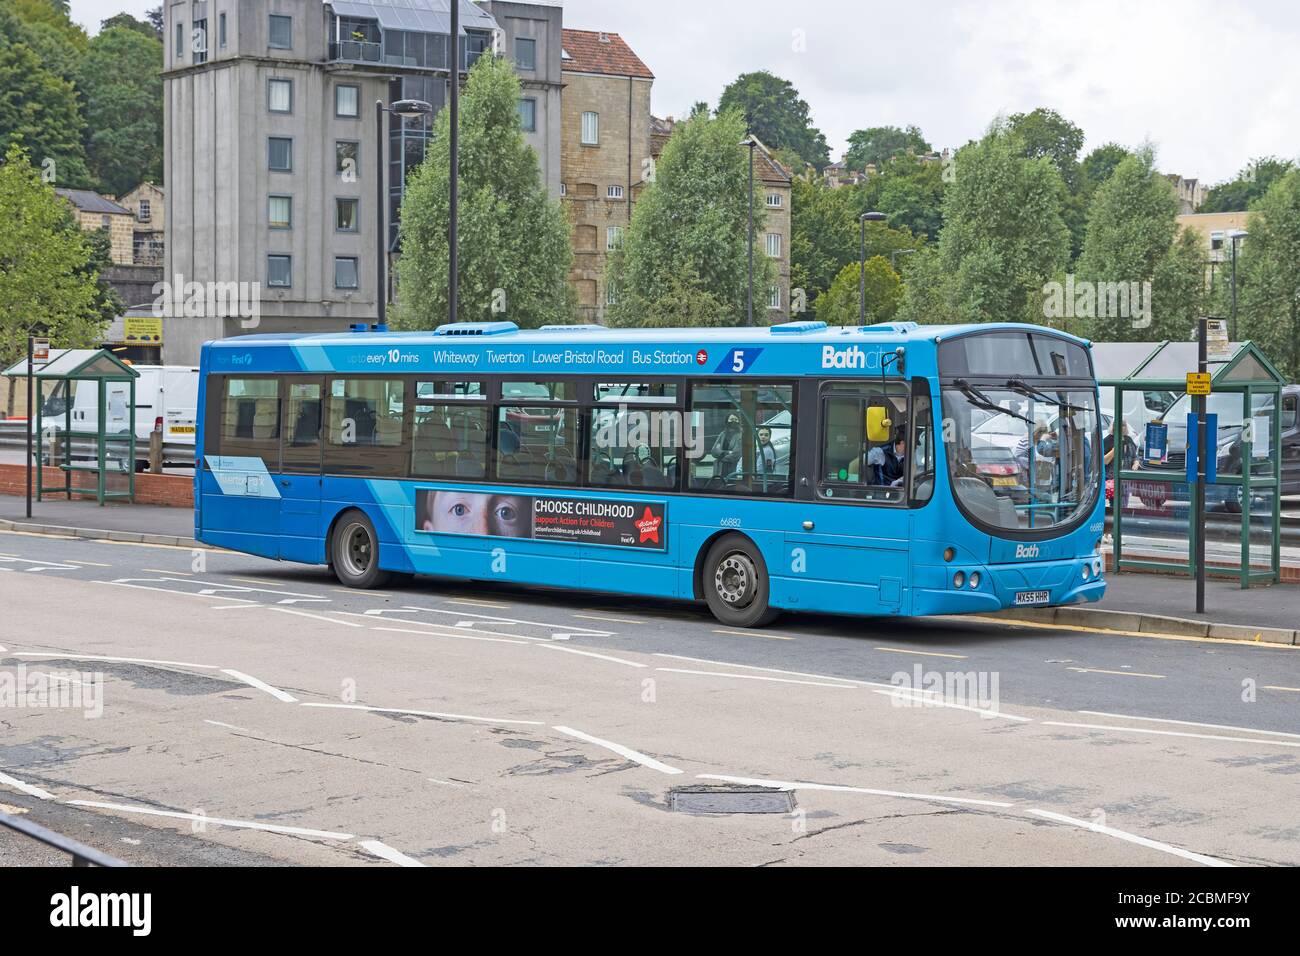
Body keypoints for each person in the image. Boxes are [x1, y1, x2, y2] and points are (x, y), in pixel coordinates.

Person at [710, 413, 744, 477]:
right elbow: (714, 451)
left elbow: (736, 454)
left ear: (739, 421)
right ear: (727, 421)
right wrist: (727, 452)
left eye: (735, 419)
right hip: (720, 469)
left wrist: (721, 457)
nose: (733, 421)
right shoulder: (723, 434)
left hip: (733, 469)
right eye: (731, 419)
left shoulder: (741, 435)